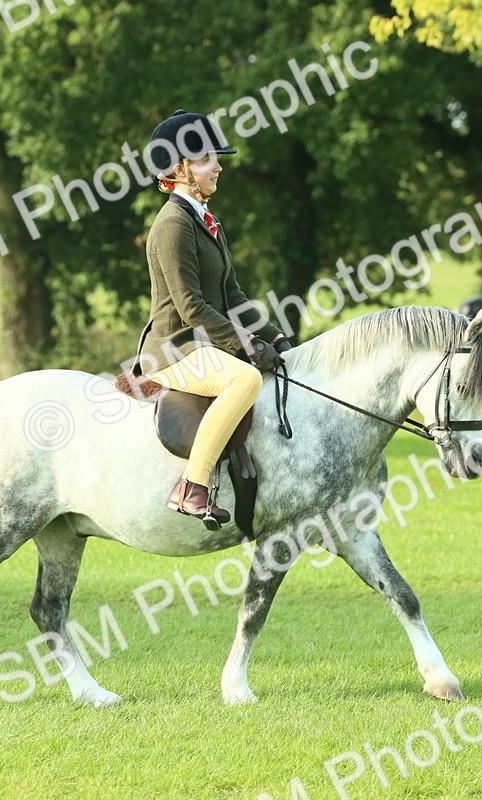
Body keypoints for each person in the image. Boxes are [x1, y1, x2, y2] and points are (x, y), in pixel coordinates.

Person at [130, 110, 293, 527]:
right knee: (245, 379)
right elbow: (191, 307)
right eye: (207, 159)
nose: (219, 166)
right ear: (181, 169)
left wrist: (274, 338)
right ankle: (191, 486)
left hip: (200, 342)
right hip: (174, 348)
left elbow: (232, 296)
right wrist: (246, 345)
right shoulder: (171, 225)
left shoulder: (207, 222)